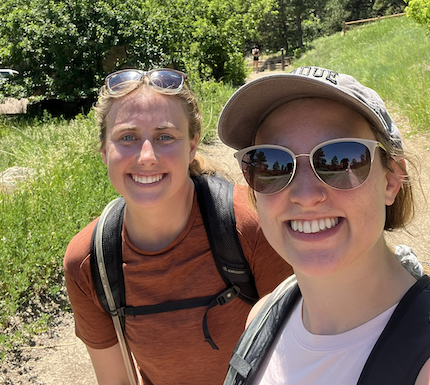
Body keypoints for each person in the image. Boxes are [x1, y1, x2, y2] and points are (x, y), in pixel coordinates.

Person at [218, 65, 430, 385]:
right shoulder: (261, 318)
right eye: (272, 164)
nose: (306, 195)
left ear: (391, 179)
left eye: (342, 159)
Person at [64, 68, 291, 385]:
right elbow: (117, 380)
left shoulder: (251, 225)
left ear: (193, 145)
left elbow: (296, 355)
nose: (146, 156)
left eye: (165, 137)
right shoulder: (90, 261)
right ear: (104, 151)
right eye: (127, 137)